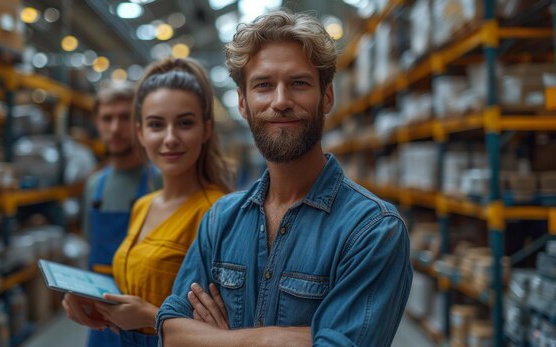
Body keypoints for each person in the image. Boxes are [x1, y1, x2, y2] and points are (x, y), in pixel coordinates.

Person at [156, 10, 413, 346]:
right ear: (243, 103)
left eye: (299, 83)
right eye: (264, 85)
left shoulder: (373, 230)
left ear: (327, 97)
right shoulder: (221, 220)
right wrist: (270, 340)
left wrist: (218, 338)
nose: (280, 101)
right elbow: (171, 331)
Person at [63, 57, 233, 347]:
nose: (170, 138)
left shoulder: (219, 213)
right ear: (141, 133)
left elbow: (228, 331)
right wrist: (82, 294)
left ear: (206, 129)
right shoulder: (144, 205)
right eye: (156, 125)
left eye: (185, 123)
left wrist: (150, 316)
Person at [80, 80, 158, 347]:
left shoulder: (160, 182)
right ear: (97, 122)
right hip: (100, 320)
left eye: (124, 117)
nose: (115, 128)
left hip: (144, 324)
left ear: (140, 121)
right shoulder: (94, 187)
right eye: (107, 118)